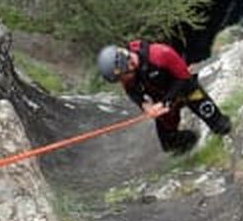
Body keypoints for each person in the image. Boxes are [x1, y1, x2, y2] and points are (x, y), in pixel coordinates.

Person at [96, 40, 231, 154]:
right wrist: (145, 105)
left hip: (186, 90)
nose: (122, 81)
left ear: (128, 64)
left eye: (121, 77)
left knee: (221, 126)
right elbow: (132, 92)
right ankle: (193, 142)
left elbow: (184, 78)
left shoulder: (160, 54)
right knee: (169, 145)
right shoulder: (127, 76)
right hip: (162, 100)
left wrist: (165, 102)